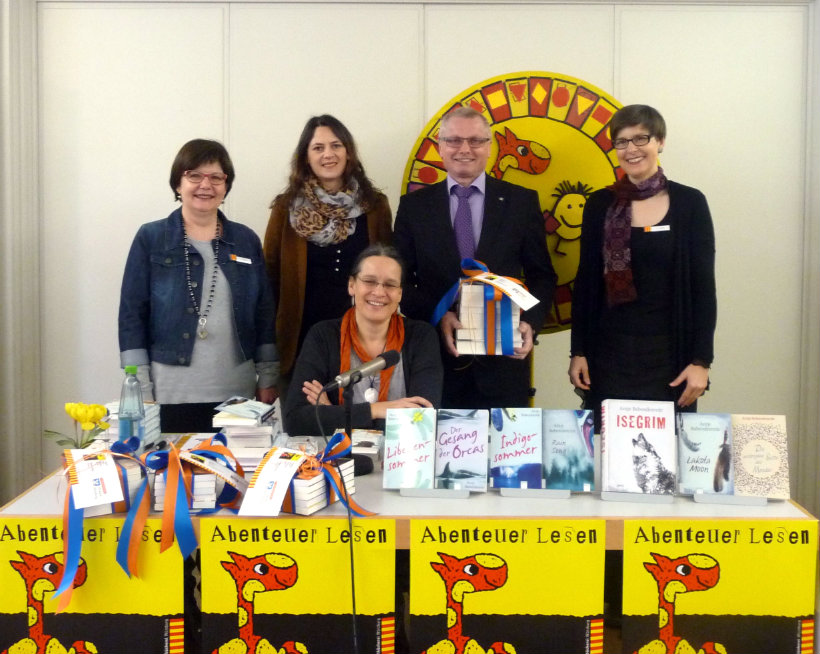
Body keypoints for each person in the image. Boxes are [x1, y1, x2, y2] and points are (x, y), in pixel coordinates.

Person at [393, 106, 556, 409]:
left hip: (505, 364)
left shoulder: (521, 201)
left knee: (506, 455)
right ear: (440, 147)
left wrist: (530, 323)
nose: (464, 149)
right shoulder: (414, 207)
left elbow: (542, 275)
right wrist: (439, 316)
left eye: (475, 141)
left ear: (490, 147)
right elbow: (400, 280)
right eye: (454, 140)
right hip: (436, 363)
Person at [569, 104, 717, 431]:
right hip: (608, 358)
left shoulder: (690, 204)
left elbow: (703, 288)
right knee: (608, 464)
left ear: (660, 142)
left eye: (641, 139)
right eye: (622, 142)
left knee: (664, 469)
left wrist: (701, 361)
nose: (631, 149)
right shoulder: (599, 205)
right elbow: (587, 282)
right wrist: (577, 350)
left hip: (671, 360)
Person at [118, 139, 278, 433]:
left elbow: (264, 313)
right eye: (194, 175)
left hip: (237, 397)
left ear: (225, 187)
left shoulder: (246, 240)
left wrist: (268, 377)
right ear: (178, 184)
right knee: (173, 477)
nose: (206, 185)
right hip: (169, 394)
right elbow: (131, 316)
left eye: (216, 177)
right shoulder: (151, 238)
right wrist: (139, 387)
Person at [263, 115, 392, 396]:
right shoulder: (285, 208)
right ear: (305, 157)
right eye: (318, 147)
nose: (328, 154)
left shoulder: (375, 206)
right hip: (300, 342)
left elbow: (389, 273)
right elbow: (269, 278)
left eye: (336, 145)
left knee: (360, 425)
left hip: (363, 341)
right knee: (304, 428)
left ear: (348, 152)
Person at [284, 244, 442, 436]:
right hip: (336, 459)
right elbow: (296, 421)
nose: (379, 292)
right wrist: (376, 410)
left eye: (390, 285)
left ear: (400, 293)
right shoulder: (322, 336)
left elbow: (421, 420)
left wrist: (332, 413)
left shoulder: (421, 337)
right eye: (369, 281)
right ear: (352, 285)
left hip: (401, 460)